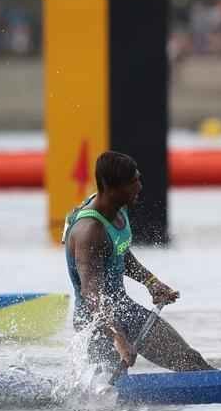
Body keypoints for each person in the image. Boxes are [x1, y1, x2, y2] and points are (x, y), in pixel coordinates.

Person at [63, 151, 213, 375]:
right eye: (133, 182)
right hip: (97, 324)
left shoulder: (117, 207)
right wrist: (118, 337)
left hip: (124, 309)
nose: (140, 187)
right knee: (108, 398)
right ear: (111, 187)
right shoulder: (89, 232)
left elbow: (119, 252)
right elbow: (91, 293)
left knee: (190, 362)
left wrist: (151, 282)